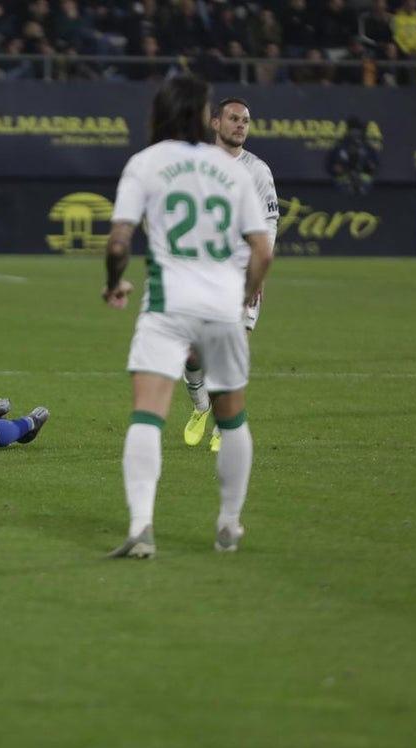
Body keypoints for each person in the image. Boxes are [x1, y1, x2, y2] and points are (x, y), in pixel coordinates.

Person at [101, 74, 273, 558]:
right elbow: (262, 250)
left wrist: (115, 283)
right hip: (222, 307)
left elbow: (118, 243)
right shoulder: (233, 170)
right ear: (204, 116)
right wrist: (245, 295)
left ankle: (141, 527)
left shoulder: (145, 164)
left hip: (166, 305)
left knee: (146, 416)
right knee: (233, 420)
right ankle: (227, 525)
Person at [182, 97, 279, 453]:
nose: (241, 125)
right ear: (215, 124)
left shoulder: (257, 171)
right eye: (234, 118)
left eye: (246, 120)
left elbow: (268, 223)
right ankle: (201, 407)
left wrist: (260, 271)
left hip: (240, 276)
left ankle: (224, 424)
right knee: (192, 357)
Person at [325, 116, 379, 195]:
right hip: (343, 183)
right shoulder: (339, 148)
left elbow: (376, 166)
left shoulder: (368, 149)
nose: (355, 134)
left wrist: (371, 167)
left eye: (357, 131)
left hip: (364, 184)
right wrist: (335, 168)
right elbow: (328, 165)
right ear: (348, 131)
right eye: (352, 131)